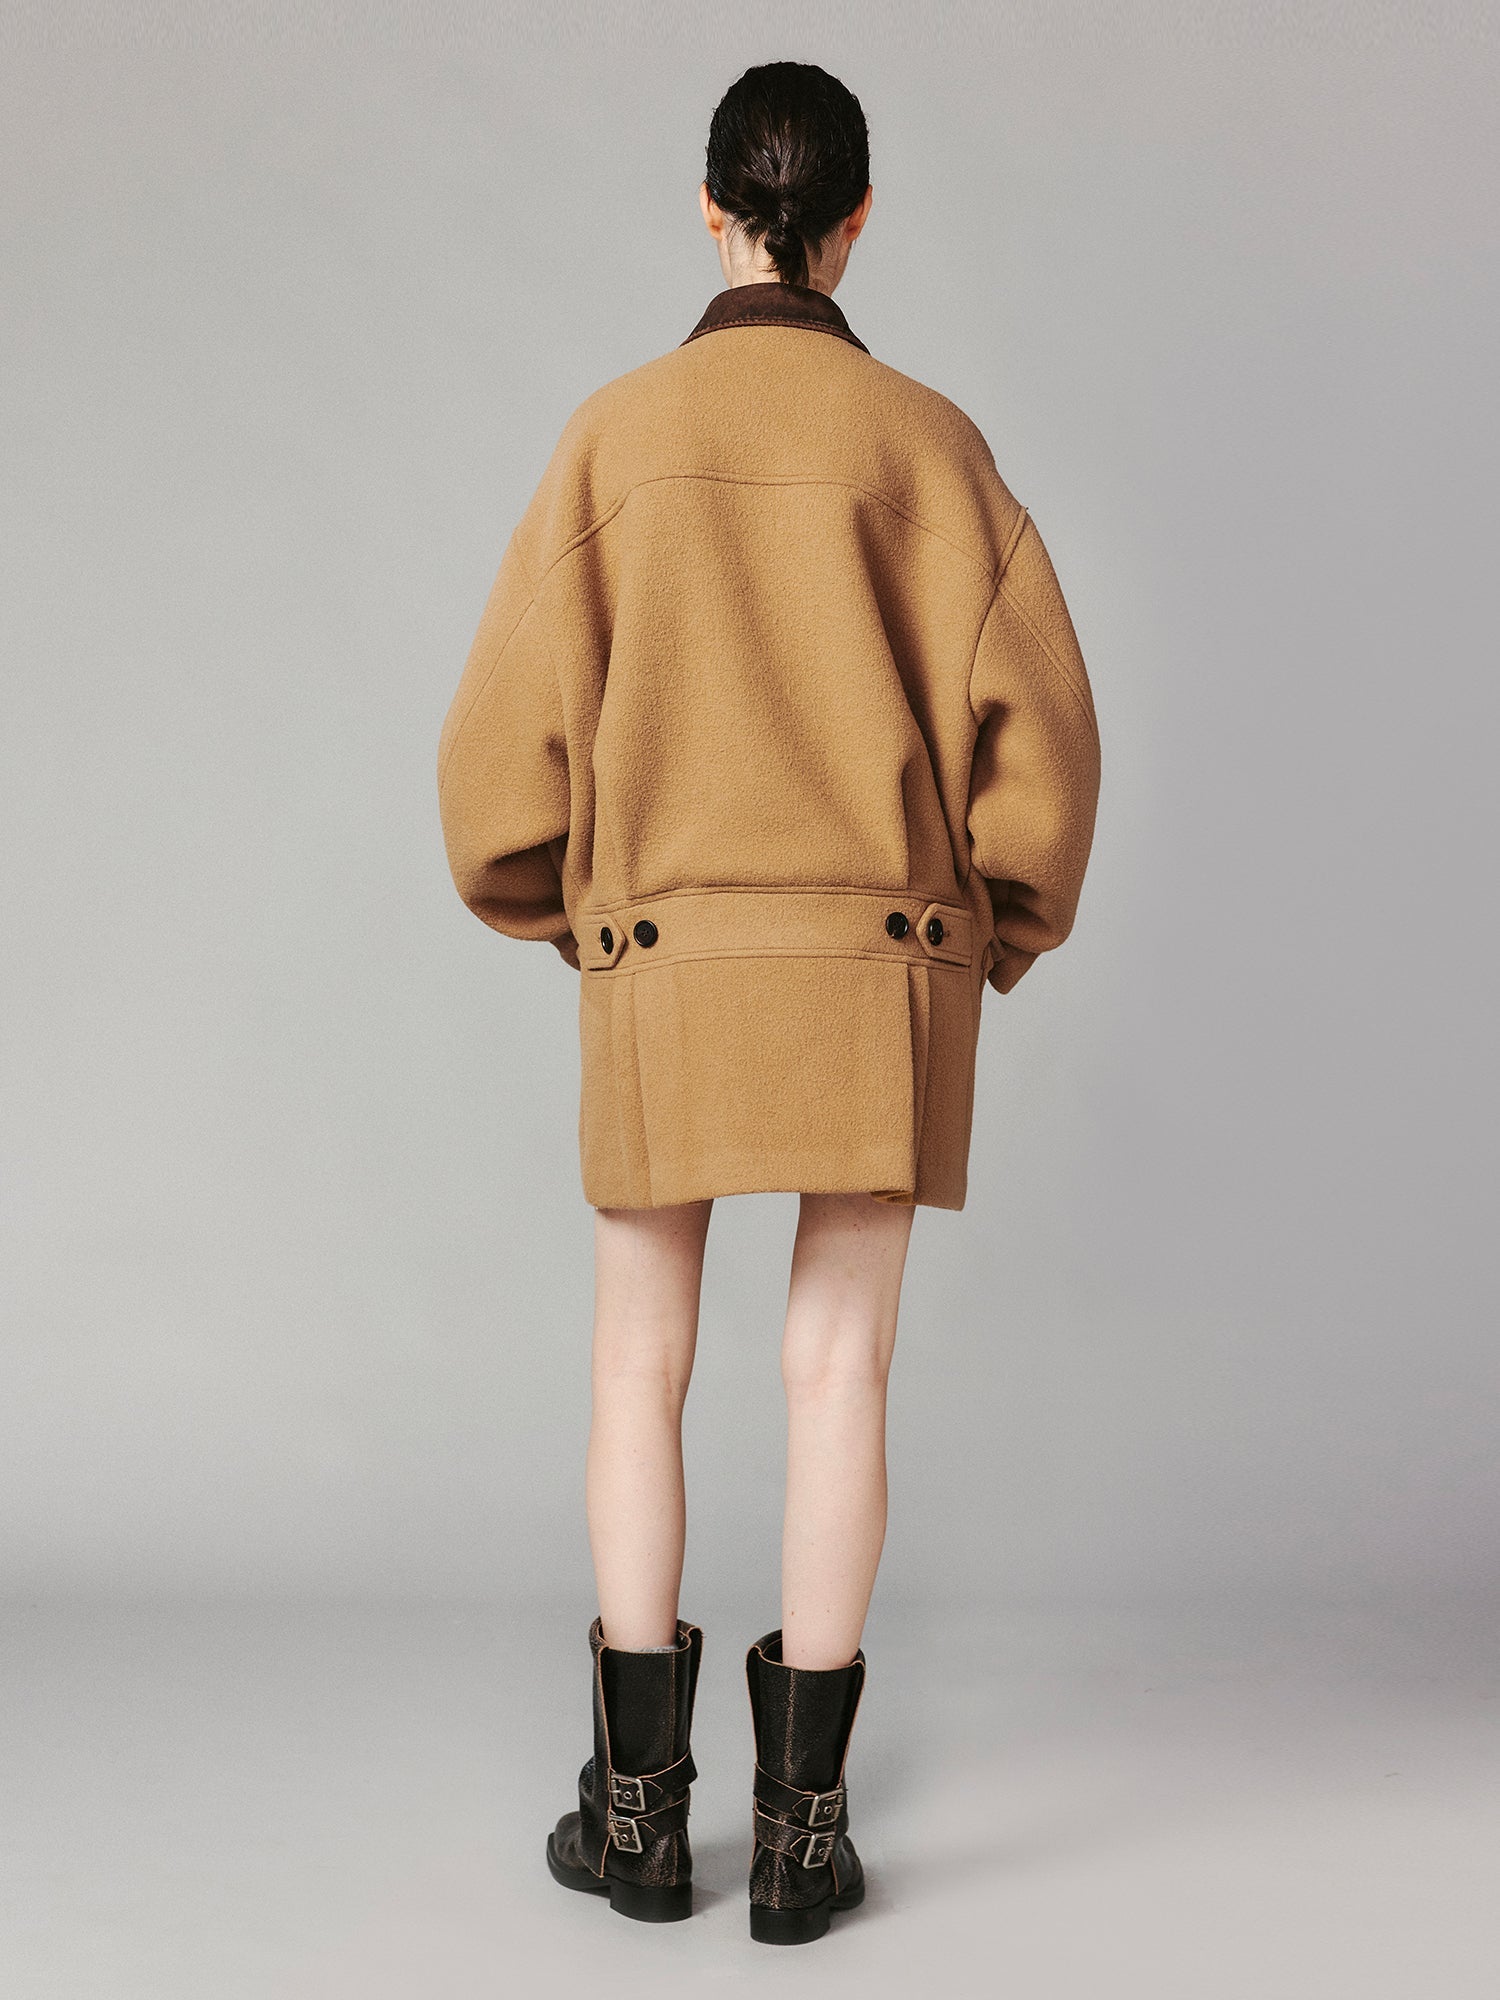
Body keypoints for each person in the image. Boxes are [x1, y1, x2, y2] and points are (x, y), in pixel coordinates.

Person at [436, 60, 1101, 1946]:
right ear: (858, 221)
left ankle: (637, 1822)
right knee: (840, 1370)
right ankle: (804, 1845)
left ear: (712, 209)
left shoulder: (612, 443)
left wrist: (587, 922)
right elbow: (1046, 751)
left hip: (665, 961)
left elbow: (491, 783)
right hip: (878, 968)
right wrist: (989, 937)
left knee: (634, 1364)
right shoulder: (932, 448)